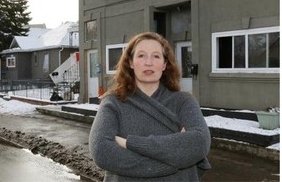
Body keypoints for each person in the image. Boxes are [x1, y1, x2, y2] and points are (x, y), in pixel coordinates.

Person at [89, 32, 211, 181]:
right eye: (141, 56)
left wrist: (129, 143)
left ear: (164, 65)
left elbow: (199, 143)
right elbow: (101, 152)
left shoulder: (184, 102)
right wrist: (173, 161)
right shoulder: (113, 103)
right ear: (131, 62)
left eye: (156, 56)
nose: (149, 62)